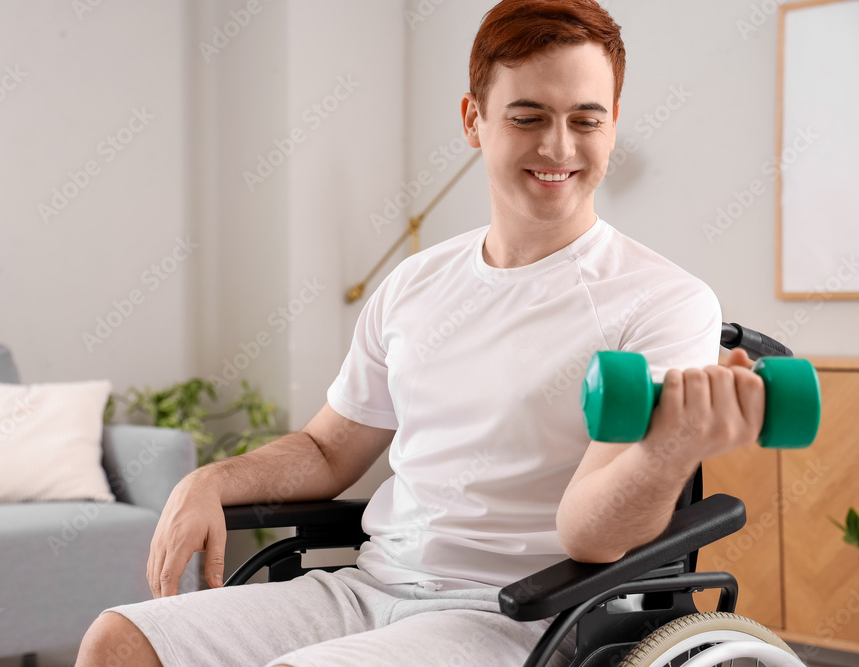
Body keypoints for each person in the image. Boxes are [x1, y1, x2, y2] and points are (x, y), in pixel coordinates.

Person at [77, 1, 765, 665]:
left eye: (585, 119)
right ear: (474, 119)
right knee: (118, 642)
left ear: (613, 124)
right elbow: (327, 448)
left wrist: (670, 449)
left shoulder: (665, 303)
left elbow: (592, 531)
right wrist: (211, 480)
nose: (558, 145)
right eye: (527, 116)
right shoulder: (414, 284)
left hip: (523, 618)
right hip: (368, 589)